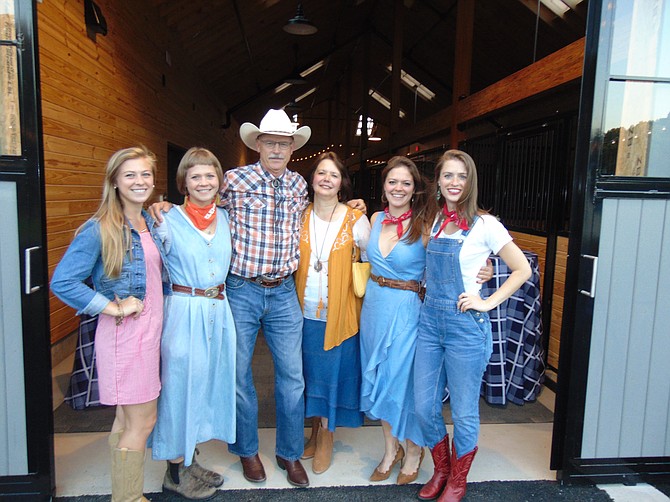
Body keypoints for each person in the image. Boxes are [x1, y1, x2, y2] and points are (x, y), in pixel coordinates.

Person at [51, 146, 169, 502]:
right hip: (126, 335)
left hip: (148, 333)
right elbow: (63, 282)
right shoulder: (100, 227)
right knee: (142, 422)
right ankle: (129, 498)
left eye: (145, 174)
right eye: (130, 175)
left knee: (126, 421)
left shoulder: (148, 221)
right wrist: (111, 308)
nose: (139, 181)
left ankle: (125, 496)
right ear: (115, 181)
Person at [414, 149, 531, 502]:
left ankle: (458, 480)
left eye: (461, 176)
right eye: (447, 176)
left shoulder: (486, 225)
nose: (453, 182)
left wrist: (487, 300)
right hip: (429, 324)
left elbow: (522, 268)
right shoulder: (433, 221)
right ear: (439, 181)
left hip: (466, 326)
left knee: (464, 411)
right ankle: (441, 469)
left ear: (470, 182)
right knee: (424, 405)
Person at [149, 148, 236, 500]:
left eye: (210, 175)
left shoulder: (227, 218)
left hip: (219, 310)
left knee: (205, 386)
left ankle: (189, 460)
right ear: (183, 182)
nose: (203, 182)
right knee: (178, 389)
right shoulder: (165, 220)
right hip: (184, 312)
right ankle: (173, 472)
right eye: (195, 176)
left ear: (219, 181)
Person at [359, 156, 436, 485]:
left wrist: (482, 270)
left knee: (401, 383)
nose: (398, 188)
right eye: (393, 181)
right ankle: (391, 450)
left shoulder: (426, 223)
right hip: (374, 307)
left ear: (415, 188)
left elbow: (453, 258)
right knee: (378, 380)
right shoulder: (373, 218)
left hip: (407, 309)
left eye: (406, 182)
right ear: (384, 185)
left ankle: (415, 449)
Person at [294, 152, 370, 474]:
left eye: (334, 175)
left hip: (339, 313)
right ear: (312, 179)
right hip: (303, 312)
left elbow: (374, 259)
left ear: (342, 183)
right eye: (321, 173)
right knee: (308, 376)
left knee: (331, 376)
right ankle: (313, 429)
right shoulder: (298, 214)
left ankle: (327, 435)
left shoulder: (356, 220)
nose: (326, 179)